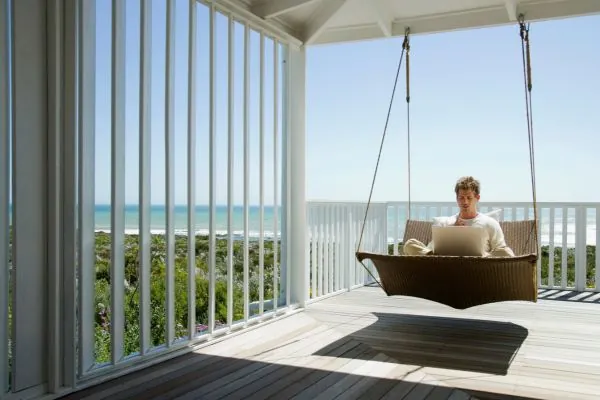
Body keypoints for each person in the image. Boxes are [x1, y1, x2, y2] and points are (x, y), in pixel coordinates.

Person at [403, 176, 515, 257]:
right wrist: (452, 230)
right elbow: (431, 249)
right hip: (447, 263)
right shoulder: (447, 223)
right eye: (461, 197)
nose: (465, 202)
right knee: (410, 244)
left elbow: (501, 250)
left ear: (477, 198)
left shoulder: (489, 223)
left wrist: (484, 256)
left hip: (478, 265)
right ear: (457, 199)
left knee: (507, 252)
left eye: (469, 197)